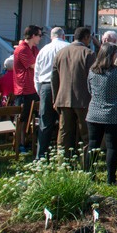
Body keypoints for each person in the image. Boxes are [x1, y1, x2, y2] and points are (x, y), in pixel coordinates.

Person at [85, 42, 117, 183]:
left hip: (94, 112)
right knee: (112, 147)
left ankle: (89, 176)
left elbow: (89, 90)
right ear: (111, 55)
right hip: (112, 114)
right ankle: (111, 179)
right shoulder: (116, 72)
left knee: (93, 145)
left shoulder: (92, 70)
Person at [52, 26, 95, 158]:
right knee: (87, 135)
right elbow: (93, 79)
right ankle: (87, 164)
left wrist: (55, 99)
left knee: (64, 134)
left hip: (63, 99)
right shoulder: (88, 53)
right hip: (84, 100)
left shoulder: (60, 53)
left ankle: (63, 163)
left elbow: (54, 78)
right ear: (86, 37)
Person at [33, 26, 70, 159]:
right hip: (63, 85)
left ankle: (41, 155)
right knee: (65, 122)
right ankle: (64, 154)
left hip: (45, 86)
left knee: (45, 122)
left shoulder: (43, 50)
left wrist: (40, 91)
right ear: (63, 36)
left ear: (51, 37)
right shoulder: (68, 47)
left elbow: (36, 73)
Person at [13, 25, 42, 153]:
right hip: (23, 89)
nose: (40, 38)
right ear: (33, 36)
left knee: (31, 117)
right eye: (39, 35)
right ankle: (19, 144)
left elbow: (40, 60)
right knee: (22, 119)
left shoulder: (34, 48)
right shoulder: (22, 49)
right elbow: (34, 65)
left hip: (33, 88)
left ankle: (27, 141)